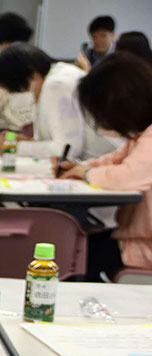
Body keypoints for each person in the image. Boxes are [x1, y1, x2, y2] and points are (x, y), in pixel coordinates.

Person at [58, 53, 152, 274]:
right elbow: (115, 159)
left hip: (143, 248)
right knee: (75, 248)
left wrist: (87, 172)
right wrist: (79, 167)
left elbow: (126, 176)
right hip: (135, 240)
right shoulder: (140, 136)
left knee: (72, 257)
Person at [0, 43, 115, 161]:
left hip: (108, 163)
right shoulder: (51, 79)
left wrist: (13, 147)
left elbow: (66, 150)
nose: (13, 97)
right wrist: (27, 143)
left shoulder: (56, 85)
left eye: (14, 90)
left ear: (32, 75)